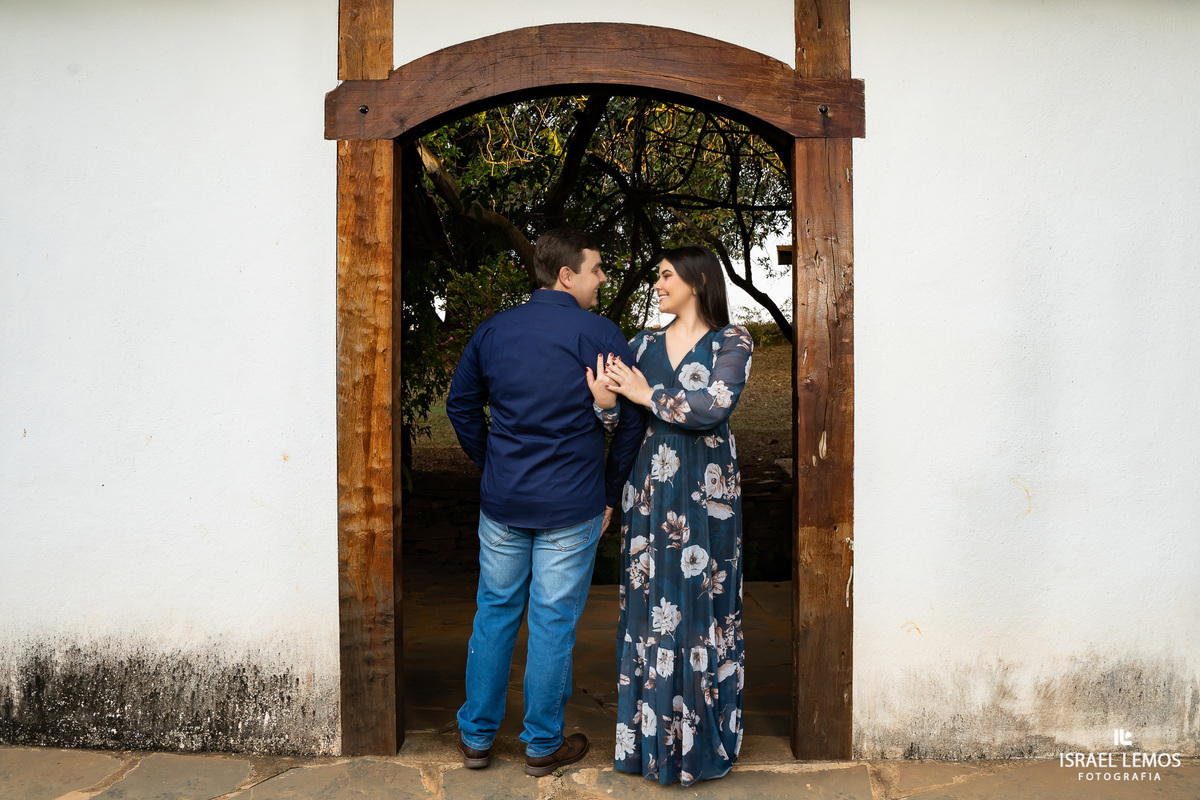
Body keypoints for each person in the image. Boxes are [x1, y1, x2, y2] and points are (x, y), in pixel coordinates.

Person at [446, 228, 645, 777]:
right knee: (553, 623)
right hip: (572, 502)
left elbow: (460, 405)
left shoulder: (494, 330)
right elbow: (631, 419)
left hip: (504, 501)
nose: (603, 278)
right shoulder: (600, 333)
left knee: (494, 613)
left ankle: (477, 740)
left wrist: (492, 464)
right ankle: (541, 746)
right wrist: (611, 489)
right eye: (597, 268)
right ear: (567, 275)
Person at [592, 245, 753, 786]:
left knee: (705, 608)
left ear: (696, 279)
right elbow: (621, 425)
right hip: (651, 496)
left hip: (709, 498)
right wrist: (609, 405)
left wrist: (643, 391)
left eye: (665, 276)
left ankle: (704, 744)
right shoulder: (641, 344)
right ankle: (649, 747)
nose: (657, 285)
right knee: (650, 609)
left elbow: (714, 406)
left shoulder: (733, 340)